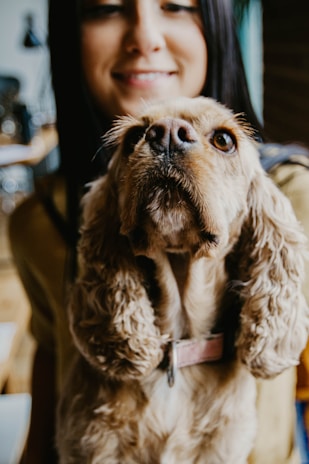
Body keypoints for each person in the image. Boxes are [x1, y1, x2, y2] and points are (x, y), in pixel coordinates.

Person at [8, 0, 309, 463]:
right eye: (107, 7)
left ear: (217, 24)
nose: (144, 36)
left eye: (176, 5)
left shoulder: (296, 194)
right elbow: (45, 410)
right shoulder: (36, 223)